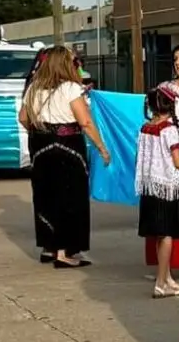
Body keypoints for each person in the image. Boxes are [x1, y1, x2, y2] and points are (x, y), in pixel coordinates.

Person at [18, 45, 111, 268]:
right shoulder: (70, 88)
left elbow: (23, 117)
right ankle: (63, 252)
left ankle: (49, 247)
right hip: (67, 145)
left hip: (40, 145)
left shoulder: (34, 88)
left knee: (45, 196)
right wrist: (101, 147)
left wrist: (40, 130)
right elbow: (85, 122)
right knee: (69, 196)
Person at [144, 42, 179, 271]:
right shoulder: (165, 89)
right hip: (172, 157)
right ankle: (165, 268)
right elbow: (151, 116)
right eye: (176, 58)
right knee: (169, 211)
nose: (178, 62)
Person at [136, 86, 179, 297]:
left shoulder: (145, 128)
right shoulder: (169, 129)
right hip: (168, 187)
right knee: (167, 235)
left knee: (160, 235)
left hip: (150, 187)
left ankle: (167, 277)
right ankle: (161, 282)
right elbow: (177, 161)